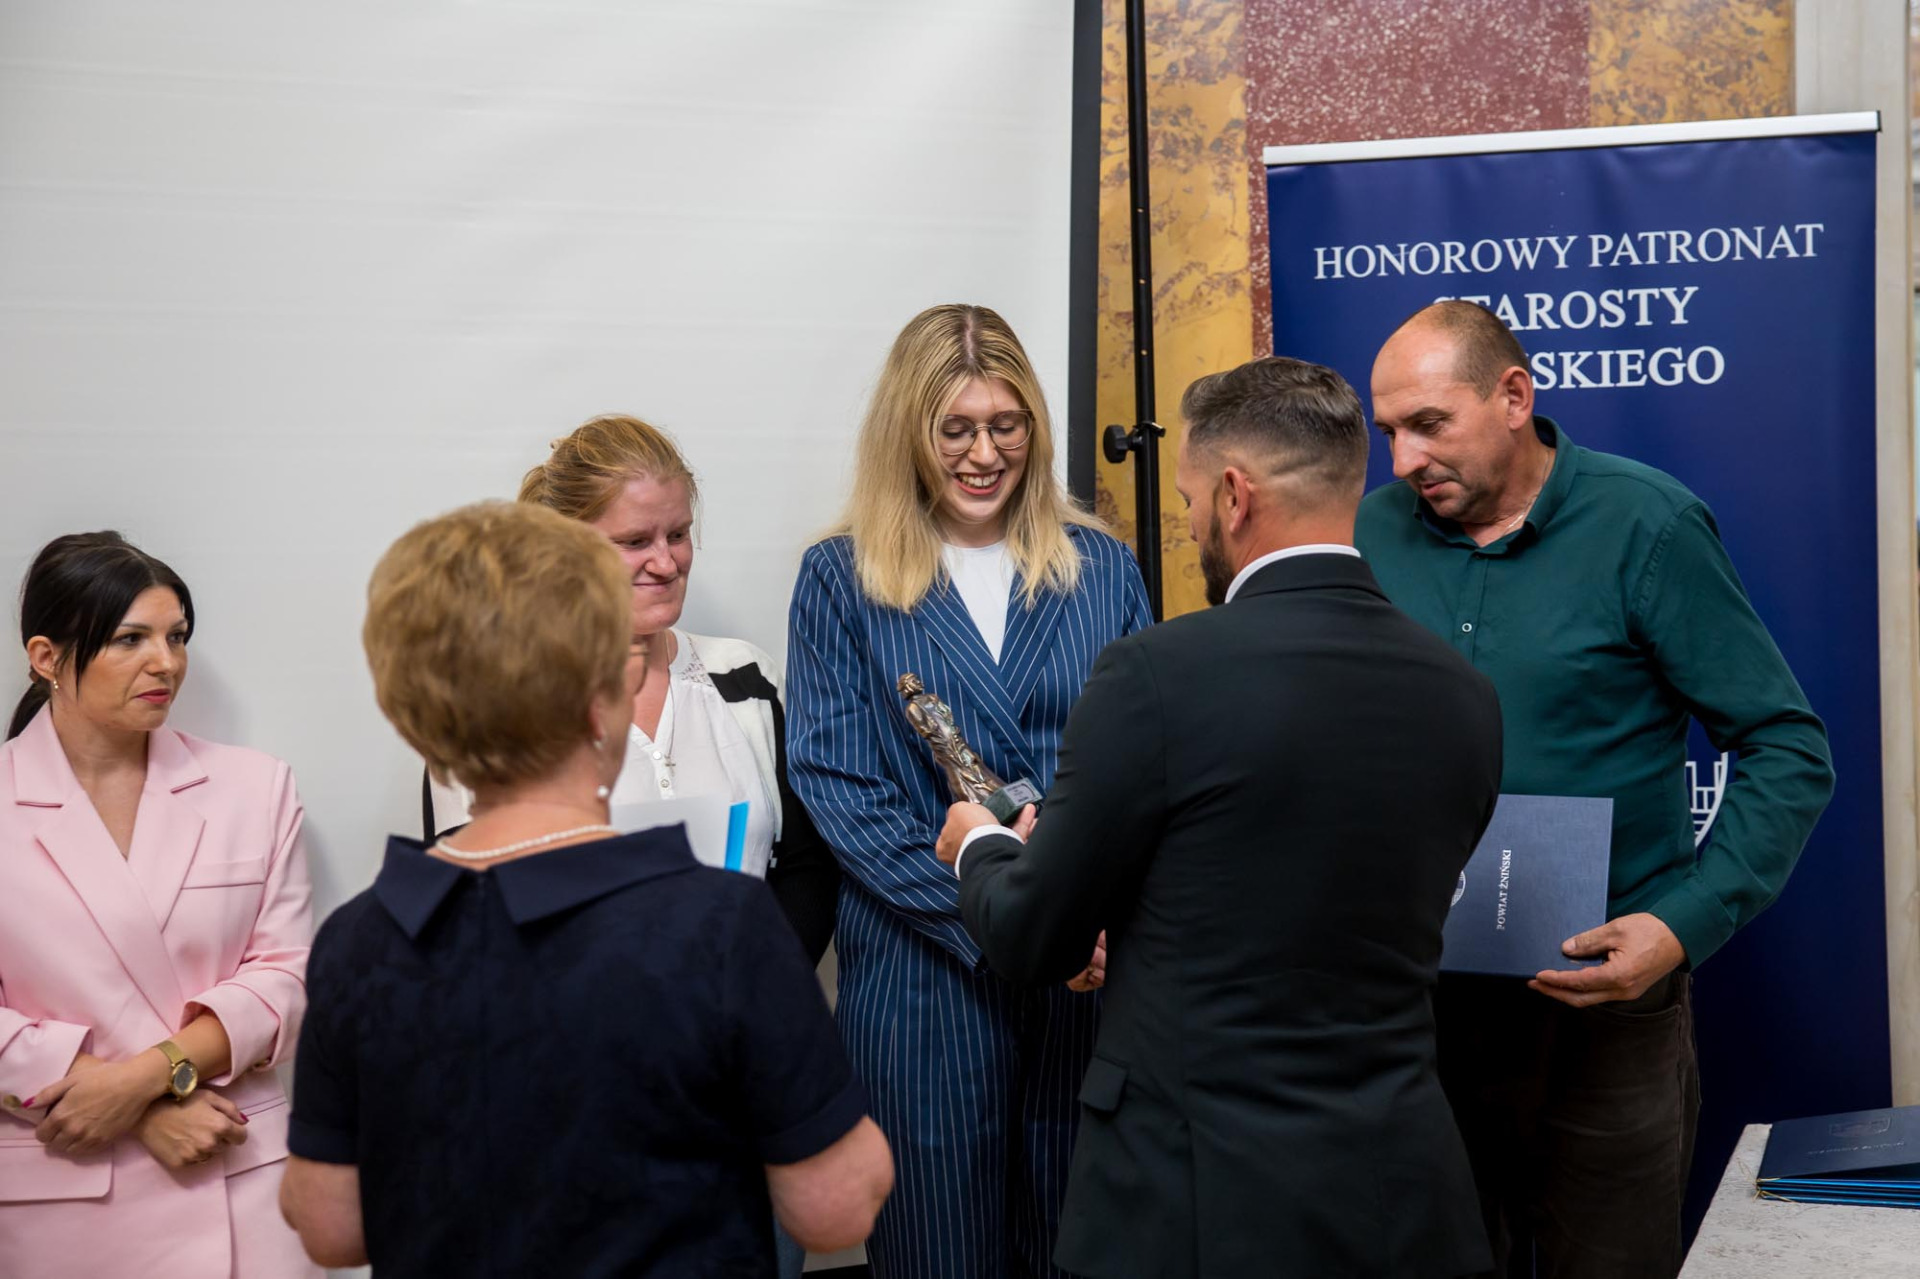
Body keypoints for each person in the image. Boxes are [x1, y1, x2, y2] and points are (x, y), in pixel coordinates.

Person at [936, 356, 1503, 1279]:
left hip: (1192, 1207)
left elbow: (1035, 936)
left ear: (1235, 496)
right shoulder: (1465, 696)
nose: (1192, 523)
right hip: (1402, 1203)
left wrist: (984, 844)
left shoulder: (1156, 675)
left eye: (1190, 500)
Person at [279, 501, 892, 1274]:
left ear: (413, 714)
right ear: (605, 700)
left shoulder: (359, 941)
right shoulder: (720, 924)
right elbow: (836, 1205)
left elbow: (330, 1227)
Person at [1355, 301, 1836, 1277]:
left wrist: (1680, 924)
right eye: (1389, 431)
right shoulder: (1373, 532)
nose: (1403, 460)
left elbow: (1786, 746)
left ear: (1513, 397)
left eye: (1429, 424)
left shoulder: (1646, 523)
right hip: (1419, 1010)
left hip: (1604, 1012)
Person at [786, 303, 1152, 1278]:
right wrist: (1011, 918)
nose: (985, 454)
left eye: (1007, 424)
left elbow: (1147, 763)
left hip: (1086, 985)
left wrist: (1080, 919)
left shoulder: (1103, 568)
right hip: (925, 980)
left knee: (1082, 1251)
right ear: (908, 431)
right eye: (955, 428)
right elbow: (842, 787)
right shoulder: (840, 578)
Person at [0, 532, 316, 1278]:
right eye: (130, 639)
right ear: (45, 657)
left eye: (176, 637)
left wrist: (143, 1082)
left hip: (239, 1176)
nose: (166, 662)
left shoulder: (255, 787)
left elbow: (289, 976)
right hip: (65, 1191)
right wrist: (138, 1110)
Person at [424, 414, 839, 965]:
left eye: (678, 534)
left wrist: (753, 987)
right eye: (634, 541)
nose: (666, 563)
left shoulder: (745, 676)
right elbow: (467, 911)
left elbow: (806, 870)